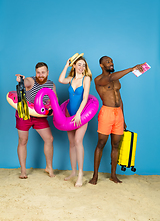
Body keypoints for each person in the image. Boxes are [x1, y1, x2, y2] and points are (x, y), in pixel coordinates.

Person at [89, 56, 144, 184]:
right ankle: (95, 176)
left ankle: (113, 175)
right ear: (102, 66)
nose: (111, 63)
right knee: (101, 144)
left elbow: (120, 99)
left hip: (118, 114)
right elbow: (110, 78)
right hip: (106, 113)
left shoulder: (117, 81)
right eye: (108, 62)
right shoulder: (99, 79)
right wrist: (131, 69)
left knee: (116, 145)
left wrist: (123, 118)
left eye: (112, 61)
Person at [15, 62, 57, 179]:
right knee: (23, 140)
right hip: (25, 114)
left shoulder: (51, 85)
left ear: (47, 73)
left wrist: (52, 110)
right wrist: (22, 80)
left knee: (49, 139)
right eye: (38, 72)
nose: (40, 75)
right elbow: (26, 81)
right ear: (35, 73)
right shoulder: (31, 80)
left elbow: (54, 100)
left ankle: (49, 167)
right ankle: (23, 170)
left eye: (43, 72)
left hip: (40, 116)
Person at [59, 53, 92, 187]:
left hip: (81, 115)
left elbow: (85, 98)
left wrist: (78, 114)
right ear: (74, 65)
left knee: (78, 141)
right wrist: (67, 65)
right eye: (79, 64)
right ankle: (73, 171)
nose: (82, 67)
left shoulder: (86, 79)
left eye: (84, 65)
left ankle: (80, 175)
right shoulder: (70, 78)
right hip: (69, 114)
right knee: (71, 143)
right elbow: (61, 79)